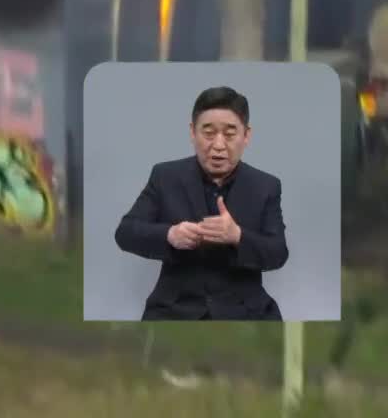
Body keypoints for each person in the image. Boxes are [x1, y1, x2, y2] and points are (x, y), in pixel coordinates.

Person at [113, 85, 289, 320]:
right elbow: (125, 232)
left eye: (229, 134)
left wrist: (237, 236)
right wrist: (170, 235)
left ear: (246, 136)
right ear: (192, 132)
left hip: (245, 310)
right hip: (174, 308)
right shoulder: (165, 176)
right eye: (208, 132)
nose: (218, 145)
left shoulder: (266, 186)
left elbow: (278, 253)